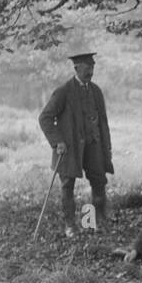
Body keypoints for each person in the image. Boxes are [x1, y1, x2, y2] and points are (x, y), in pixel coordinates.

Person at [38, 46, 113, 238]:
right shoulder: (63, 91)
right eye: (87, 68)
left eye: (92, 68)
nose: (90, 72)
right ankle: (70, 226)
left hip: (94, 145)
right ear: (77, 69)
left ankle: (93, 223)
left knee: (98, 182)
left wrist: (106, 146)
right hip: (69, 148)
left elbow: (102, 121)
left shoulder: (96, 91)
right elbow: (45, 118)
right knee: (68, 185)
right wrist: (58, 142)